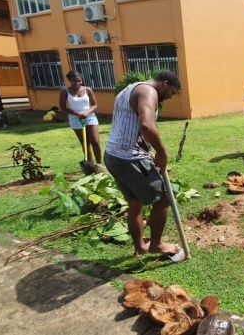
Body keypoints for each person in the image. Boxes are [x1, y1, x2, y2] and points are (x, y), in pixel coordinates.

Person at [103, 71, 185, 260]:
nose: (172, 96)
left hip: (113, 155)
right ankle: (156, 245)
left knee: (135, 202)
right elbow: (146, 125)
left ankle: (140, 247)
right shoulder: (149, 92)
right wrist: (162, 152)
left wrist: (148, 150)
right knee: (162, 199)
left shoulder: (129, 89)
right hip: (128, 158)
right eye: (173, 91)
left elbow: (128, 125)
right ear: (165, 84)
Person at [59, 71, 103, 169]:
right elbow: (62, 107)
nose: (77, 83)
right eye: (74, 81)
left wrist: (87, 112)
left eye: (79, 81)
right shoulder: (65, 91)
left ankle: (99, 165)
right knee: (85, 142)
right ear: (70, 80)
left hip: (90, 116)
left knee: (95, 141)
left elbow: (95, 105)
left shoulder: (88, 90)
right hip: (75, 118)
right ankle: (90, 167)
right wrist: (76, 113)